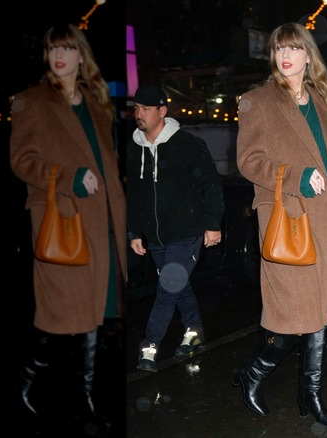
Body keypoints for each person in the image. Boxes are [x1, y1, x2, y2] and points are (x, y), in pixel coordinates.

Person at [232, 22, 327, 428]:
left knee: (321, 311)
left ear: (307, 55)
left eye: (293, 48)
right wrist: (294, 174)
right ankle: (254, 373)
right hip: (289, 220)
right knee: (291, 316)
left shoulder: (324, 101)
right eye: (279, 48)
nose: (285, 56)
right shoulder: (258, 100)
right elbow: (248, 160)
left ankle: (311, 395)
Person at [8, 23, 127, 435]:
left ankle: (88, 395)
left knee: (94, 315)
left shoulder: (98, 103)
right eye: (51, 48)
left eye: (65, 48)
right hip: (64, 221)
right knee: (61, 318)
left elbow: (109, 168)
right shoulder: (32, 101)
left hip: (103, 223)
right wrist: (68, 176)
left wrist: (125, 222)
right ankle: (27, 381)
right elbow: (22, 161)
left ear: (80, 55)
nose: (58, 56)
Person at [127, 84, 224, 372]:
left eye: (145, 109)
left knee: (167, 287)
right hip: (157, 237)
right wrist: (134, 232)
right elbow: (133, 193)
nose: (138, 114)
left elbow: (211, 184)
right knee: (178, 285)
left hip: (187, 231)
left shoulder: (188, 145)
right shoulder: (134, 148)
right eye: (136, 108)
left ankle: (149, 347)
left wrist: (212, 225)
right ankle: (193, 330)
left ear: (162, 111)